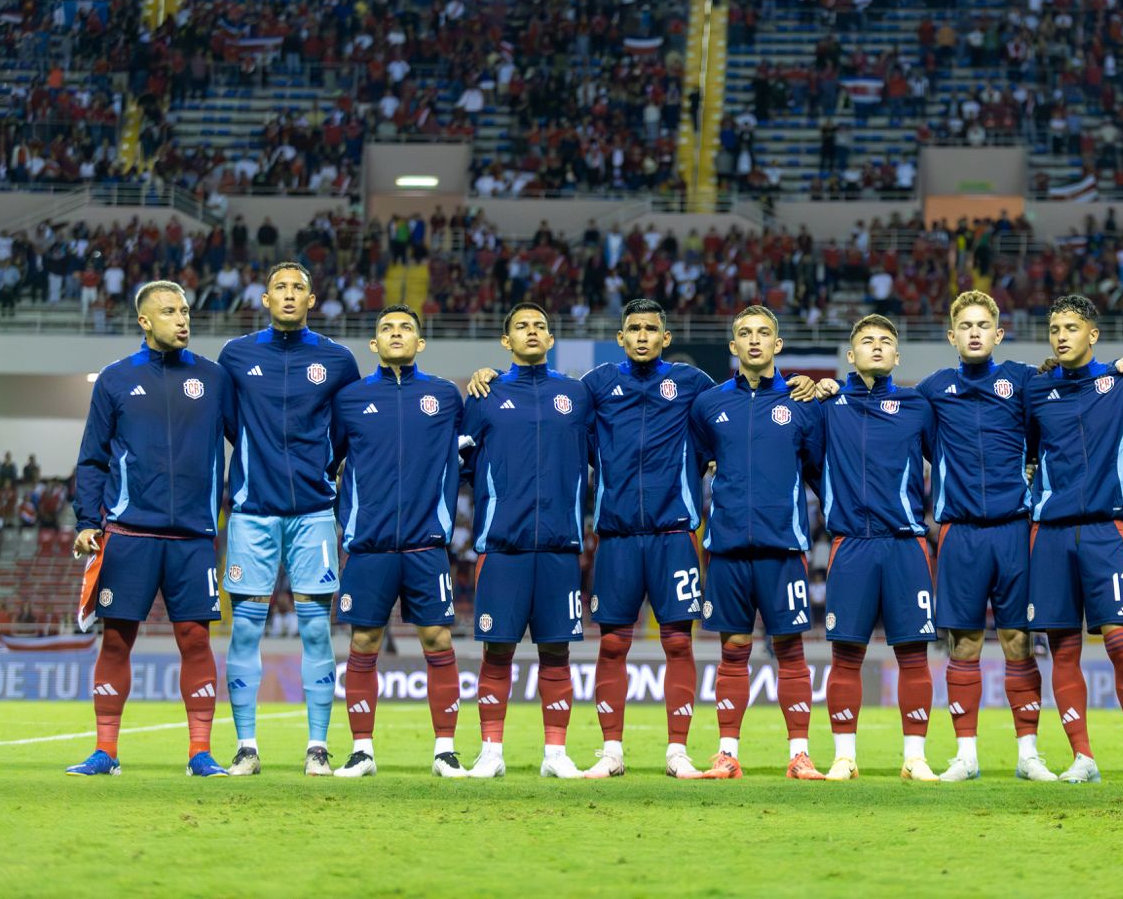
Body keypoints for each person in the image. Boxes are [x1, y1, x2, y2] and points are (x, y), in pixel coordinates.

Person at [470, 299, 812, 780]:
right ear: (621, 338)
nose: (644, 335)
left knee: (678, 644)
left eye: (652, 328)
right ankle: (612, 750)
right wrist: (492, 374)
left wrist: (810, 384)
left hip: (675, 534)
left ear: (666, 338)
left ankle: (677, 752)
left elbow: (737, 422)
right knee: (612, 645)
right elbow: (552, 414)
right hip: (617, 535)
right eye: (634, 328)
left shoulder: (696, 388)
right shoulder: (595, 387)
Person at [67, 280, 236, 778]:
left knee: (196, 641)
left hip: (193, 538)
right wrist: (85, 521)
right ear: (144, 321)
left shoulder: (214, 378)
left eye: (185, 310)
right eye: (169, 312)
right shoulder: (116, 380)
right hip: (129, 535)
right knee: (116, 640)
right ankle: (106, 752)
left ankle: (200, 753)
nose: (182, 319)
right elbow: (93, 459)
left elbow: (249, 440)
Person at [1022, 294, 1123, 785]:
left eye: (1071, 327)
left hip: (1106, 531)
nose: (1061, 336)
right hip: (1050, 535)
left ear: (1093, 334)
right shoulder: (1036, 392)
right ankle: (1083, 758)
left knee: (1120, 641)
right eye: (1054, 328)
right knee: (1062, 648)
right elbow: (1022, 453)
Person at [217, 261, 361, 777]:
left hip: (315, 514)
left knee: (317, 632)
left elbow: (347, 430)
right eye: (280, 286)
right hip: (253, 512)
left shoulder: (338, 360)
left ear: (312, 300)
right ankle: (246, 747)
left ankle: (317, 747)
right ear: (264, 298)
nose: (289, 294)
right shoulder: (236, 356)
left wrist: (317, 469)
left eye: (299, 287)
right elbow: (230, 423)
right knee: (245, 633)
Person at [915, 292, 1055, 782]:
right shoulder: (933, 389)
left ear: (999, 334)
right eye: (965, 326)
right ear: (951, 336)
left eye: (983, 325)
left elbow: (1048, 425)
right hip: (961, 533)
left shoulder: (1021, 381)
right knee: (965, 644)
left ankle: (1028, 755)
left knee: (1019, 640)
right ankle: (966, 756)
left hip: (1015, 529)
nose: (974, 332)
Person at [688, 305, 827, 780]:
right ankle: (727, 753)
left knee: (791, 649)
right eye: (744, 333)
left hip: (782, 548)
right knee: (733, 649)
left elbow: (819, 472)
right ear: (732, 346)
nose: (753, 340)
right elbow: (697, 463)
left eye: (763, 333)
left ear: (777, 344)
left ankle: (800, 754)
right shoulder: (710, 405)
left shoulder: (801, 403)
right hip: (726, 548)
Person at [329, 305, 467, 779]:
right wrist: (347, 520)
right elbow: (328, 463)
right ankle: (361, 751)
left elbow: (471, 449)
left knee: (437, 638)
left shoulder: (446, 396)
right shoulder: (349, 399)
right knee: (364, 641)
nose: (396, 333)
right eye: (386, 327)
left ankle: (445, 750)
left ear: (420, 343)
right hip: (368, 547)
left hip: (426, 545)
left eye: (405, 327)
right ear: (373, 343)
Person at [462, 303, 594, 780]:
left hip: (559, 545)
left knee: (557, 651)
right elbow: (460, 461)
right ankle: (491, 751)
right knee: (497, 650)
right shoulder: (485, 393)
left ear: (551, 339)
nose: (532, 331)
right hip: (502, 545)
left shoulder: (576, 395)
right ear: (506, 340)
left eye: (541, 325)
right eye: (522, 326)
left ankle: (555, 753)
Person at [813, 314, 940, 782]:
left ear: (897, 355)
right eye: (867, 341)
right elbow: (809, 461)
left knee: (914, 654)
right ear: (851, 355)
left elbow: (943, 458)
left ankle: (915, 757)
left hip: (906, 544)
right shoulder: (829, 404)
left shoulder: (916, 405)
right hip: (851, 545)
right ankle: (844, 756)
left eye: (886, 341)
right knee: (846, 655)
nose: (877, 347)